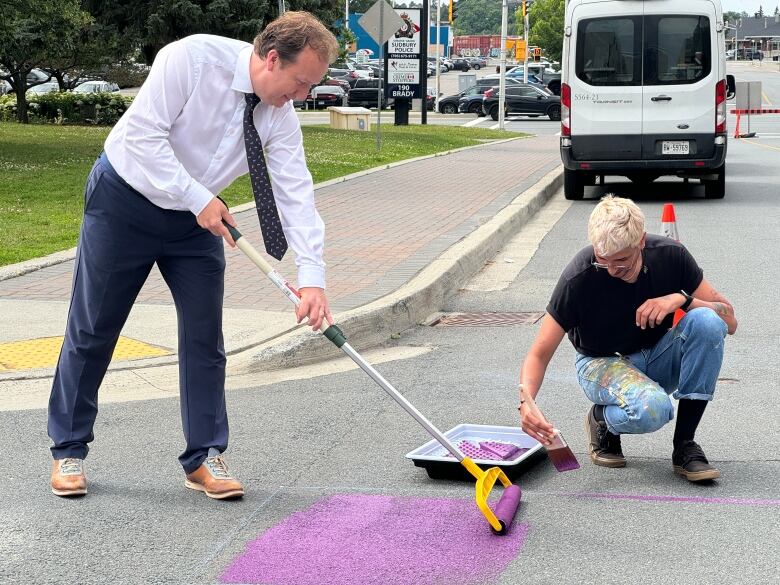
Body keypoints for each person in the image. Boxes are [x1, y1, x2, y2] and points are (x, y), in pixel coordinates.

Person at [48, 11, 340, 499]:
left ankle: (204, 456)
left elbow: (296, 192)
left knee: (205, 337)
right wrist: (197, 196)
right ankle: (68, 449)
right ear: (272, 58)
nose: (303, 96)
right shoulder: (189, 59)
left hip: (197, 222)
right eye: (300, 83)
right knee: (94, 326)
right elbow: (143, 138)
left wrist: (312, 278)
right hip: (125, 201)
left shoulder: (279, 115)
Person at [518, 195, 737, 483]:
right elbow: (539, 353)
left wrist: (681, 300)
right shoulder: (579, 276)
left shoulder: (671, 256)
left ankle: (684, 445)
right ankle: (602, 421)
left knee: (707, 322)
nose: (612, 270)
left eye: (621, 261)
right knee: (655, 409)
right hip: (599, 364)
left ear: (641, 242)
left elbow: (729, 321)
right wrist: (526, 403)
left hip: (654, 355)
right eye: (603, 261)